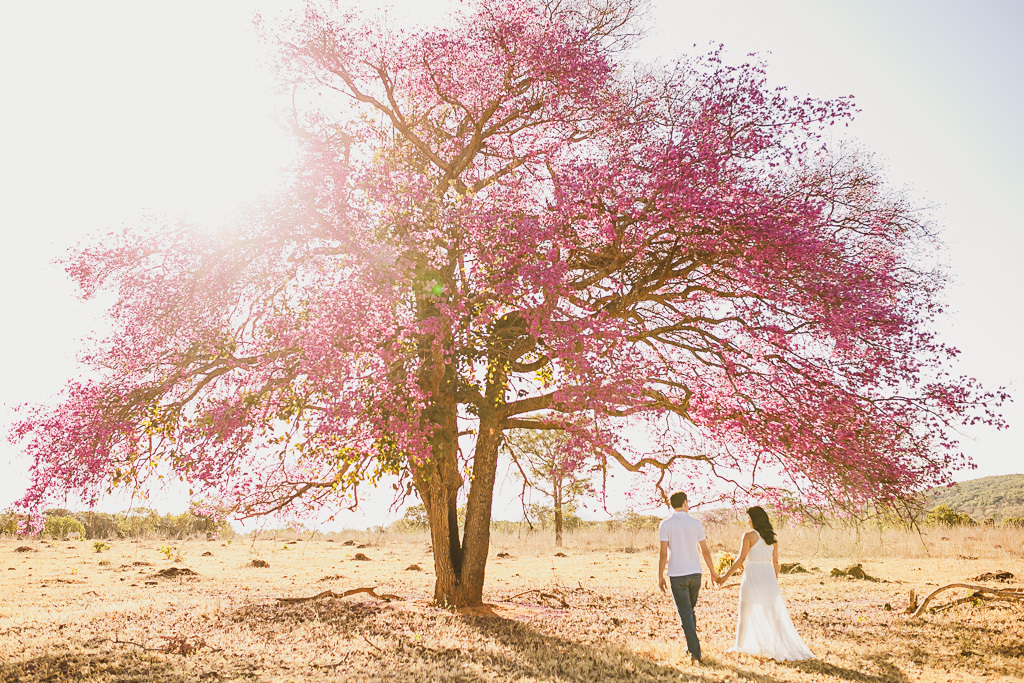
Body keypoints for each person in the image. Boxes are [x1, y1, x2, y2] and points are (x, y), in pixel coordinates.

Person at [716, 506, 813, 661]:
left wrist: (725, 577)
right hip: (768, 577)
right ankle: (777, 644)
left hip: (752, 576)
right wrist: (774, 581)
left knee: (745, 610)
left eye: (749, 518)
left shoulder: (749, 536)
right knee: (771, 614)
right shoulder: (772, 538)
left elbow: (741, 559)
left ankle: (739, 645)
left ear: (754, 519)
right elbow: (776, 562)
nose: (748, 521)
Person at [658, 491, 719, 663]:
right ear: (685, 503)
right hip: (695, 574)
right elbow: (705, 551)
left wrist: (660, 575)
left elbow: (663, 553)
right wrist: (713, 572)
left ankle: (695, 652)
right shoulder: (695, 523)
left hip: (677, 574)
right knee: (689, 611)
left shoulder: (665, 524)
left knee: (685, 613)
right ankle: (690, 646)